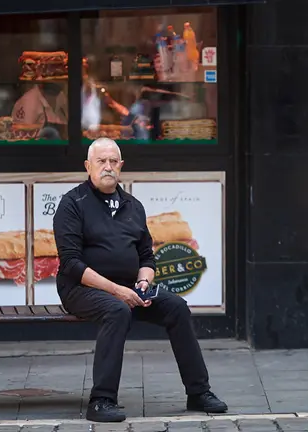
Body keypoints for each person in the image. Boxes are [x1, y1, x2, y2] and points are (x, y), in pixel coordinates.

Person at [53, 138, 228, 422]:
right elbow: (71, 264)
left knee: (177, 307)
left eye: (113, 162)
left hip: (130, 287)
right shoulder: (73, 204)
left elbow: (147, 257)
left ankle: (198, 392)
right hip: (81, 289)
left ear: (121, 166)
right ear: (88, 166)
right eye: (101, 161)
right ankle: (101, 400)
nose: (107, 167)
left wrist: (144, 282)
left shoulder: (133, 206)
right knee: (117, 310)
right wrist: (116, 291)